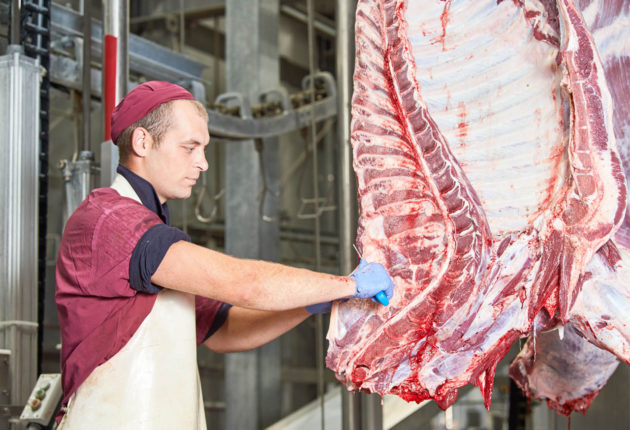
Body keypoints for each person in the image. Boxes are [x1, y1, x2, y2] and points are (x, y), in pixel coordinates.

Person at [54, 81, 395, 429]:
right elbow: (244, 284)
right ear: (143, 142)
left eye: (203, 148)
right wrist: (344, 285)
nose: (202, 163)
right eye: (190, 148)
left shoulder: (156, 243)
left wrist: (309, 304)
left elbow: (227, 330)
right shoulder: (110, 220)